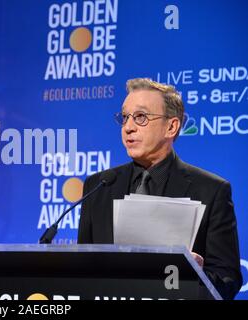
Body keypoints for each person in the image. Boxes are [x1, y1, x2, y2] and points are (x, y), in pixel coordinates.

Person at [77, 78, 242, 300]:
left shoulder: (212, 190)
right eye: (125, 117)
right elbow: (81, 272)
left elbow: (227, 281)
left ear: (171, 126)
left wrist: (196, 275)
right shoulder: (100, 186)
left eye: (141, 117)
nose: (128, 127)